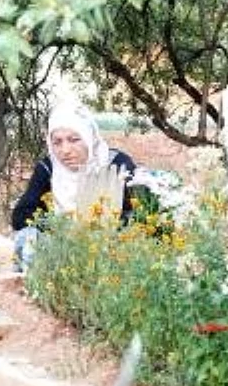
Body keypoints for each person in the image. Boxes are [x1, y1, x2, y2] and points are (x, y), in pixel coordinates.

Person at [11, 103, 136, 270]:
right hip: (62, 252)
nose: (65, 150)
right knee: (28, 238)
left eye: (74, 140)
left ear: (89, 136)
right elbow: (21, 215)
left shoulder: (116, 164)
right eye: (57, 142)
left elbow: (137, 211)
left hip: (112, 253)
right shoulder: (49, 168)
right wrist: (63, 228)